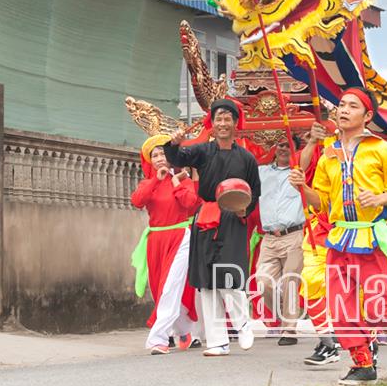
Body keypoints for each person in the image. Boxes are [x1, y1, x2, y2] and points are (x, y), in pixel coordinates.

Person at [290, 87, 387, 386]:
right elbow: (320, 201)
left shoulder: (382, 148)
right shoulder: (328, 153)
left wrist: (382, 197)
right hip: (338, 238)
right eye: (341, 105)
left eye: (352, 106)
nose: (343, 110)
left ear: (367, 115)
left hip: (371, 237)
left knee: (377, 302)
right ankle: (363, 365)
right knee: (340, 305)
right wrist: (302, 187)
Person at [164, 98, 261, 356]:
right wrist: (173, 143)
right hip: (206, 216)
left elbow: (256, 193)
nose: (222, 123)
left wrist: (245, 210)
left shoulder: (247, 158)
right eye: (218, 118)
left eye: (227, 118)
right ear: (212, 122)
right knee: (206, 283)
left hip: (232, 217)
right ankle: (218, 341)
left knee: (228, 276)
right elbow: (176, 157)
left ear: (235, 123)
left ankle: (242, 324)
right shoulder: (202, 151)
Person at [130, 134, 200, 354]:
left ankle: (157, 339)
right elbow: (137, 201)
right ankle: (185, 328)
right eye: (155, 155)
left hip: (180, 236)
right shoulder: (148, 183)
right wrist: (155, 180)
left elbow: (191, 204)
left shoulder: (184, 179)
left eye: (162, 153)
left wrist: (177, 183)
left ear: (170, 156)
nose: (160, 158)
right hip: (156, 240)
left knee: (170, 287)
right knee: (161, 290)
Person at [254, 136, 306, 346]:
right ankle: (286, 312)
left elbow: (307, 159)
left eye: (290, 146)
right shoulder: (261, 172)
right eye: (282, 145)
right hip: (269, 238)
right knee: (262, 282)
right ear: (275, 148)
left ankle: (289, 329)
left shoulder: (299, 174)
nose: (284, 149)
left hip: (293, 235)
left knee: (290, 281)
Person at [297, 122, 338, 365]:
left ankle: (364, 346)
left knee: (354, 291)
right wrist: (313, 141)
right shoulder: (319, 153)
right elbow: (300, 170)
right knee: (312, 284)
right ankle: (327, 341)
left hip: (357, 232)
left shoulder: (368, 150)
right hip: (320, 230)